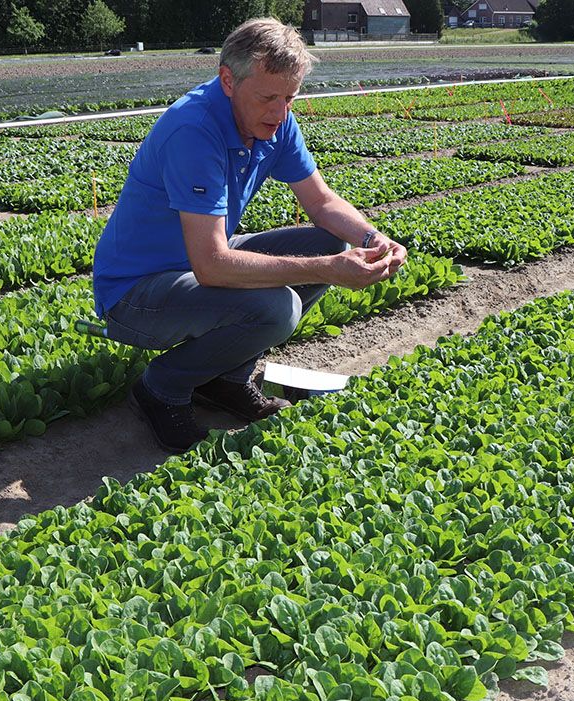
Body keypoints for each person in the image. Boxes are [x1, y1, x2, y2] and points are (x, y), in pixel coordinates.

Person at [92, 17, 407, 453]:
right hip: (137, 291)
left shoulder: (275, 120)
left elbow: (321, 202)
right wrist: (329, 271)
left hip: (196, 264)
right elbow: (212, 264)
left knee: (326, 242)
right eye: (268, 98)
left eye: (290, 98)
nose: (280, 112)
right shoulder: (193, 131)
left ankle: (226, 380)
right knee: (277, 307)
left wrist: (374, 239)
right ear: (227, 80)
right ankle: (161, 387)